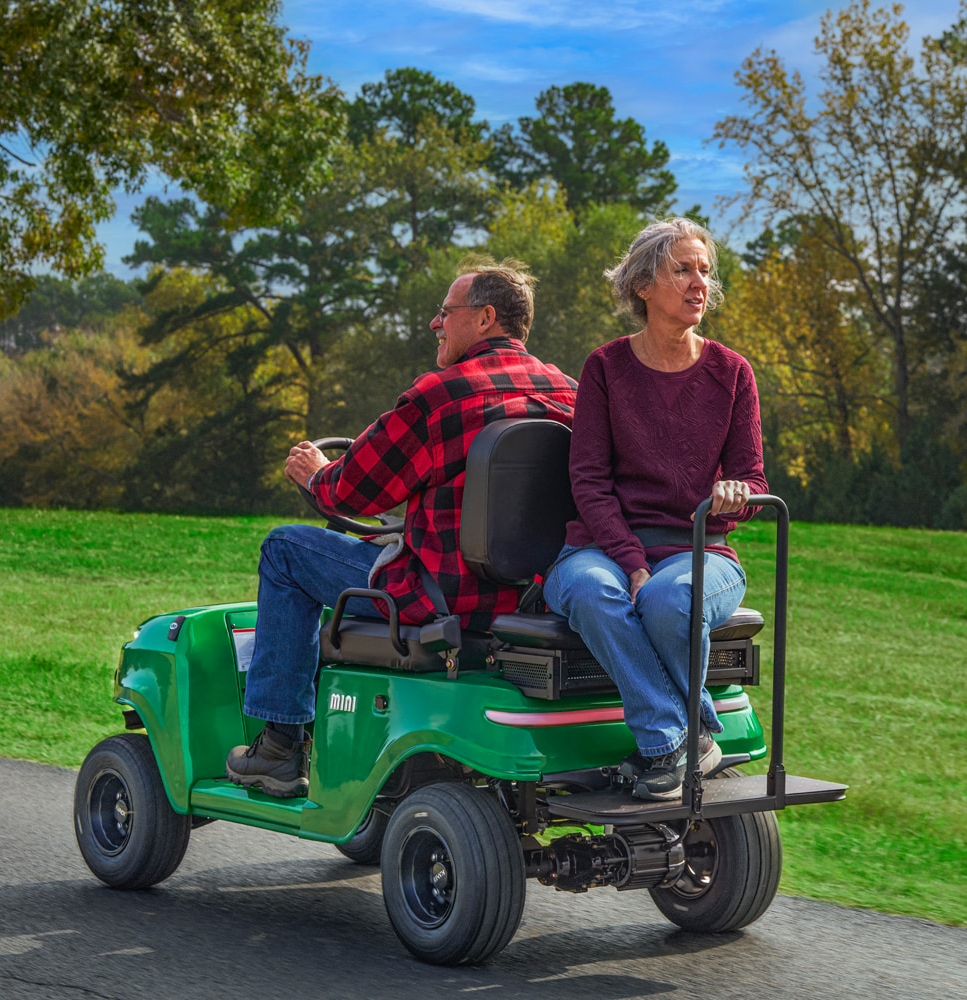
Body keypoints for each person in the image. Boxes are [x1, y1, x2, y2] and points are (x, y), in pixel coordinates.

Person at [226, 256, 577, 797]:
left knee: (284, 549)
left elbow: (353, 490)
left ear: (485, 318)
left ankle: (279, 745)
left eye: (445, 313)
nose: (436, 323)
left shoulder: (441, 396)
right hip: (530, 601)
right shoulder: (568, 394)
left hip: (434, 598)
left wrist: (318, 475)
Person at [542, 218, 768, 801]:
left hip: (699, 548)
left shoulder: (732, 373)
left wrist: (735, 495)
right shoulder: (605, 368)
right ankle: (681, 739)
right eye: (683, 270)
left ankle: (668, 742)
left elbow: (751, 478)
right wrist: (631, 560)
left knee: (670, 599)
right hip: (598, 544)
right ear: (643, 285)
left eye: (704, 272)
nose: (700, 285)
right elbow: (587, 480)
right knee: (593, 590)